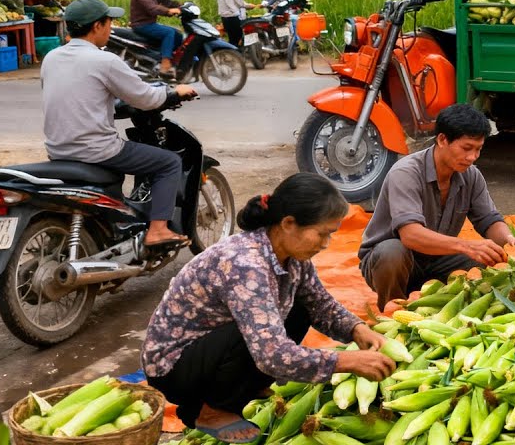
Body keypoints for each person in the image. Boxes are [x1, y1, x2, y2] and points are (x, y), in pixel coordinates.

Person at [142, 174, 396, 444]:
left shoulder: (291, 256)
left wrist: (357, 330)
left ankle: (243, 386)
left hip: (211, 351)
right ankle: (210, 410)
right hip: (175, 367)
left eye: (331, 235)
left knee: (300, 308)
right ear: (288, 224)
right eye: (322, 234)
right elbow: (271, 355)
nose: (325, 244)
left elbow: (319, 303)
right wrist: (347, 362)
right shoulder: (245, 263)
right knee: (259, 336)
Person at [42, 0, 197, 249]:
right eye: (109, 22)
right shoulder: (105, 60)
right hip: (97, 150)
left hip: (58, 149)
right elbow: (146, 98)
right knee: (169, 162)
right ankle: (158, 230)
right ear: (96, 26)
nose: (111, 27)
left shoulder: (51, 58)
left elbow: (78, 97)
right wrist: (175, 92)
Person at [359, 104, 515, 309]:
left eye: (478, 149)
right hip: (393, 264)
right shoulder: (406, 173)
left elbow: (489, 219)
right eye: (466, 148)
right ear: (442, 140)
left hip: (437, 260)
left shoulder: (471, 175)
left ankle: (445, 301)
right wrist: (466, 246)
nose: (472, 157)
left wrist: (509, 240)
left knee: (490, 256)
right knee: (391, 251)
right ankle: (392, 308)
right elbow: (410, 235)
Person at [129, 0, 183, 76]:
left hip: (149, 24)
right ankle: (165, 63)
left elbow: (166, 0)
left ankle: (161, 57)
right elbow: (151, 8)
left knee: (178, 35)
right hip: (141, 24)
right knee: (168, 33)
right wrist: (168, 11)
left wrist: (182, 6)